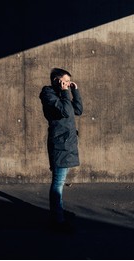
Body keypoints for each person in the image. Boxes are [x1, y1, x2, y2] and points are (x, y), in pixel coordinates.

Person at [39, 68, 83, 231]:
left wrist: (74, 91)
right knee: (58, 183)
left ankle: (57, 214)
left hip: (67, 143)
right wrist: (65, 92)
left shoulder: (63, 94)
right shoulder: (48, 94)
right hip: (60, 144)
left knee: (60, 182)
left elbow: (77, 110)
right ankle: (57, 221)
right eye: (65, 81)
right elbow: (65, 111)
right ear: (57, 80)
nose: (67, 84)